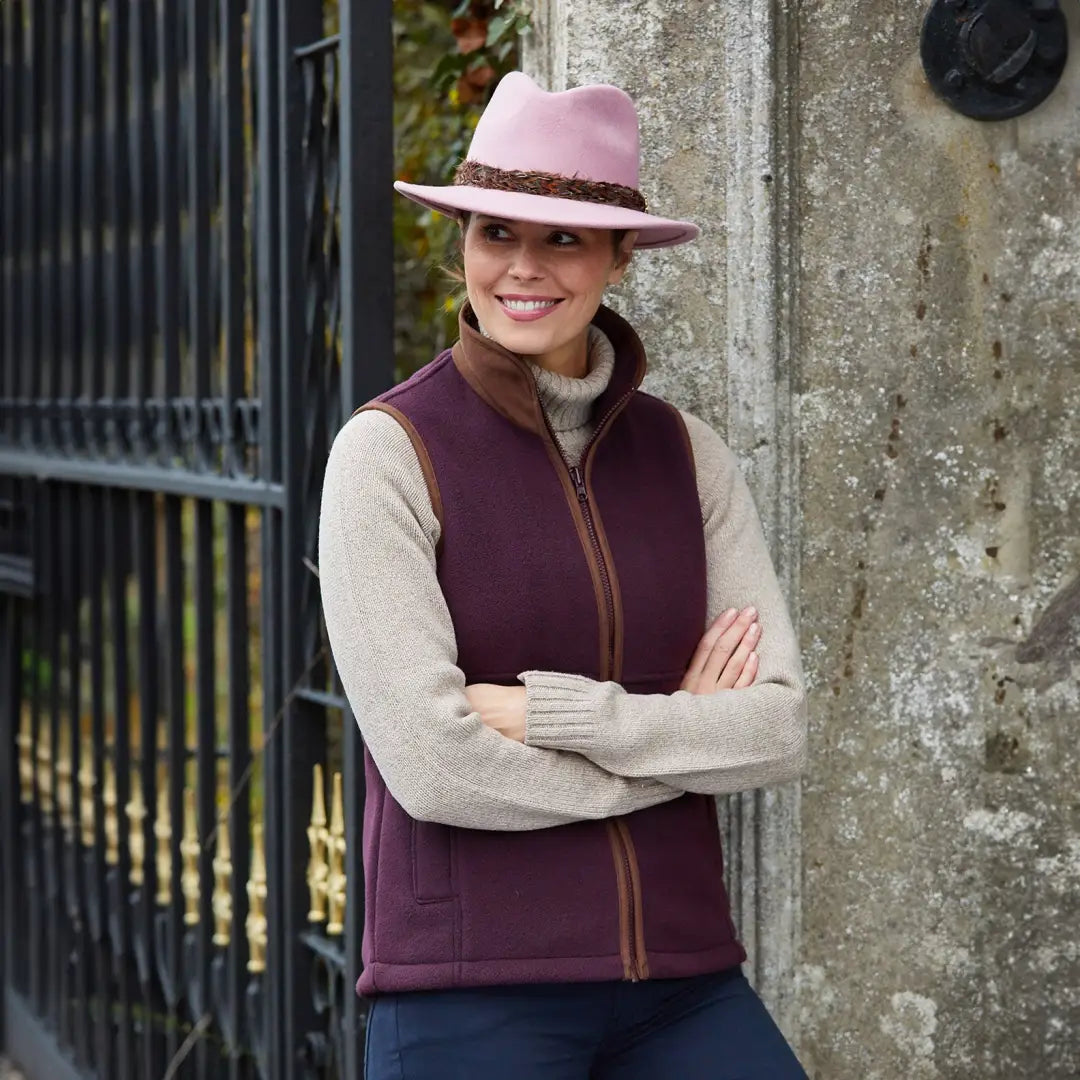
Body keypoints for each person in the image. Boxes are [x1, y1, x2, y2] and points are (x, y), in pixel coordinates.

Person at [319, 71, 808, 1080]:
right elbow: (433, 763)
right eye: (495, 232)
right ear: (463, 242)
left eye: (565, 239)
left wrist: (551, 716)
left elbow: (775, 728)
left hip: (683, 981)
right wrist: (675, 748)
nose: (521, 268)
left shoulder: (687, 457)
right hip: (471, 993)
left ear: (621, 257)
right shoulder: (389, 453)